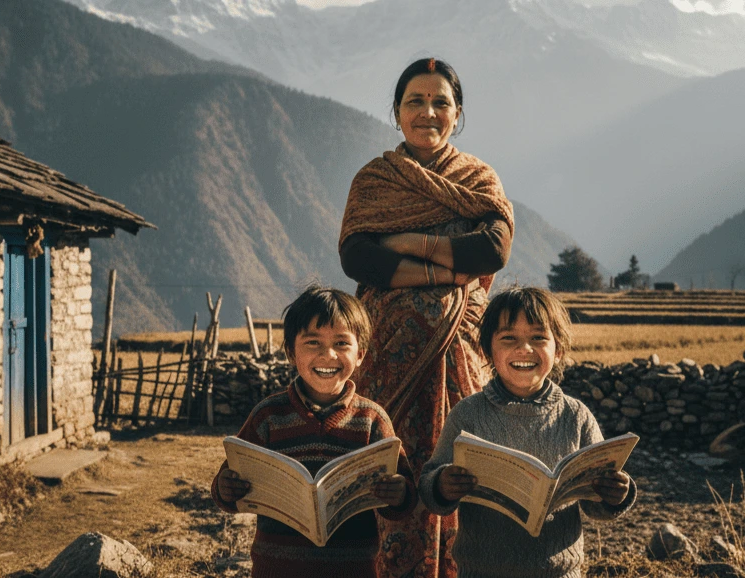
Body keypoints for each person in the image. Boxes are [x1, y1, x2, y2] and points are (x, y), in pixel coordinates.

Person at [339, 57, 514, 577]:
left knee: (462, 465)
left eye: (441, 102)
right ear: (396, 112)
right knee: (387, 466)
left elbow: (493, 251)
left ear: (457, 114)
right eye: (415, 101)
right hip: (387, 352)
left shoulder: (478, 178)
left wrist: (411, 245)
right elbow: (358, 257)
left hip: (463, 348)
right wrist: (446, 265)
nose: (428, 112)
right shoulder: (374, 181)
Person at [418, 287, 636, 578]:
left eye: (538, 338)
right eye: (509, 338)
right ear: (487, 349)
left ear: (558, 351)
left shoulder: (576, 417)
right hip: (481, 572)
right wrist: (443, 485)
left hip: (560, 573)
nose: (524, 349)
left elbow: (595, 506)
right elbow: (430, 486)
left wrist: (614, 494)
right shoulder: (468, 414)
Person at [211, 285, 418, 578]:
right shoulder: (268, 416)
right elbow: (229, 481)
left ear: (361, 354)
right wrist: (226, 487)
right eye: (312, 343)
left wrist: (397, 492)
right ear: (290, 352)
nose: (328, 355)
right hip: (277, 569)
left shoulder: (372, 420)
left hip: (352, 569)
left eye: (342, 343)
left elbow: (404, 495)